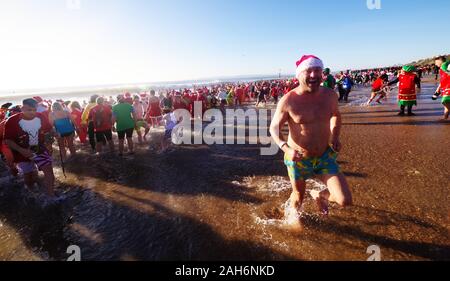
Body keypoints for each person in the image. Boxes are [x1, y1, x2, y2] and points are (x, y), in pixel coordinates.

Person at [269, 55, 352, 220]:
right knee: (298, 197)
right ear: (298, 75)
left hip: (324, 156)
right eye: (308, 71)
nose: (314, 75)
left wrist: (335, 136)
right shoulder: (288, 101)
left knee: (345, 200)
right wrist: (286, 148)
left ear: (322, 73)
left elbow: (335, 115)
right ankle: (292, 224)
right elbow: (274, 128)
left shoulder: (330, 95)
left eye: (317, 70)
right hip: (298, 159)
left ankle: (319, 195)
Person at [4, 98, 56, 197]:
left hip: (39, 148)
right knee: (28, 176)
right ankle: (32, 193)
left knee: (49, 170)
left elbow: (49, 128)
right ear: (22, 108)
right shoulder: (12, 121)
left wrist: (54, 133)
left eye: (34, 110)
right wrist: (21, 150)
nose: (32, 112)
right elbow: (8, 140)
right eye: (29, 110)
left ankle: (51, 196)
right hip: (20, 151)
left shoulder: (40, 116)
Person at [432, 56, 450, 121]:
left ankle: (445, 117)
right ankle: (445, 117)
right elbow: (443, 79)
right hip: (445, 87)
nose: (435, 64)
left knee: (445, 101)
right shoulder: (442, 68)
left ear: (440, 61)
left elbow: (448, 74)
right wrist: (438, 88)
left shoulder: (444, 65)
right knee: (446, 103)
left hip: (448, 87)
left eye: (436, 62)